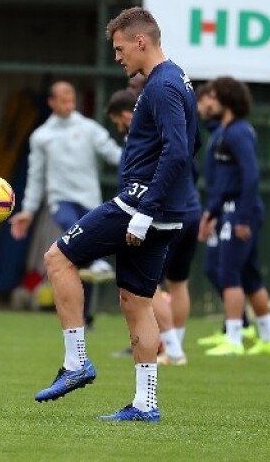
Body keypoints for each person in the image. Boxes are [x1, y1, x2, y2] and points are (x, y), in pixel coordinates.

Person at [31, 7, 199, 423]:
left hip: (138, 205)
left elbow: (178, 152)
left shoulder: (160, 87)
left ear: (141, 41)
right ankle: (145, 404)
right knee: (135, 302)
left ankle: (76, 362)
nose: (118, 56)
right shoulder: (177, 77)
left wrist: (145, 209)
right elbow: (187, 148)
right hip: (164, 210)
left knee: (57, 258)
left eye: (120, 48)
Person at [10, 81, 123, 328]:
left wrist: (141, 163)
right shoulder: (41, 136)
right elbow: (36, 176)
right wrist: (27, 211)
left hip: (89, 200)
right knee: (80, 240)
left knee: (84, 257)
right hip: (61, 200)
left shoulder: (89, 128)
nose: (69, 104)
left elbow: (115, 155)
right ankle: (95, 264)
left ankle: (85, 317)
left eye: (72, 99)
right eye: (63, 100)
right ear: (51, 102)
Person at [108, 87, 200, 366]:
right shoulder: (170, 127)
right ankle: (175, 348)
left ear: (126, 115)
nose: (120, 127)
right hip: (191, 209)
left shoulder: (143, 139)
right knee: (179, 282)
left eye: (117, 122)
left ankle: (172, 350)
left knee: (150, 287)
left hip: (163, 213)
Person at [198, 76, 270, 356]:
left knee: (229, 272)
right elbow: (226, 181)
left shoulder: (238, 132)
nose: (208, 101)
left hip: (240, 211)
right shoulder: (225, 131)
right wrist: (211, 212)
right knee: (250, 277)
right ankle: (269, 338)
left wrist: (244, 218)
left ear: (226, 100)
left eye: (213, 95)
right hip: (229, 209)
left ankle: (233, 339)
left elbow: (251, 174)